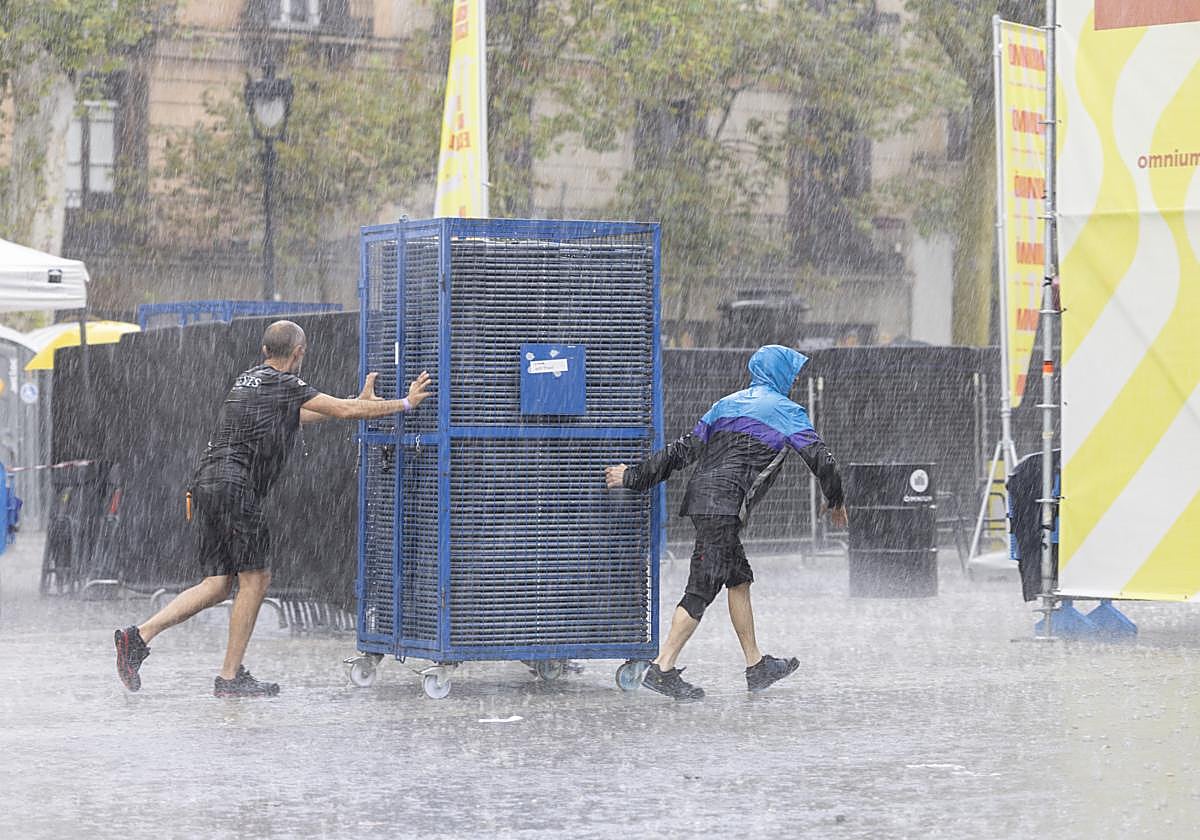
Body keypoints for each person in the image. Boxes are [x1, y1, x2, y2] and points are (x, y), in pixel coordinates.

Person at [113, 320, 431, 698]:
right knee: (256, 579)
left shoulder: (249, 379)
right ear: (299, 353)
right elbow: (342, 412)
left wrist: (360, 404)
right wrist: (405, 403)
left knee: (217, 584)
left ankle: (138, 637)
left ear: (265, 351)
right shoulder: (286, 383)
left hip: (207, 484)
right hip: (235, 488)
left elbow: (303, 414)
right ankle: (229, 679)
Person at [605, 344, 847, 701]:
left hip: (707, 501)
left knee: (739, 579)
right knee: (701, 589)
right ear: (779, 374)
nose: (795, 380)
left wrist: (636, 476)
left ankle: (756, 666)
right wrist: (836, 499)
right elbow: (821, 459)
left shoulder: (726, 404)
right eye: (791, 373)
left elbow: (682, 451)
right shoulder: (788, 411)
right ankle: (662, 667)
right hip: (723, 508)